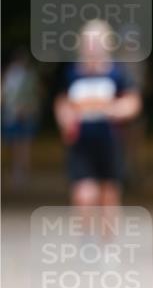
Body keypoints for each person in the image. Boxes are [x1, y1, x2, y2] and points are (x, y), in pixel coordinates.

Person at [54, 19, 141, 211]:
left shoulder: (118, 73)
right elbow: (62, 102)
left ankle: (106, 231)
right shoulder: (71, 73)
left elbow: (133, 102)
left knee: (108, 197)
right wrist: (65, 119)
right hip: (81, 143)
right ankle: (86, 230)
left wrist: (113, 110)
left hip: (110, 142)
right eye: (88, 42)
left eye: (97, 41)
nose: (92, 47)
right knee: (84, 195)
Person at [1, 48, 41, 189]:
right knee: (16, 143)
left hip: (25, 113)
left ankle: (23, 172)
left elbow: (34, 94)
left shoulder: (29, 76)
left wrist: (28, 108)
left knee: (24, 143)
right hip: (12, 114)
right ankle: (17, 170)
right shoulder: (9, 75)